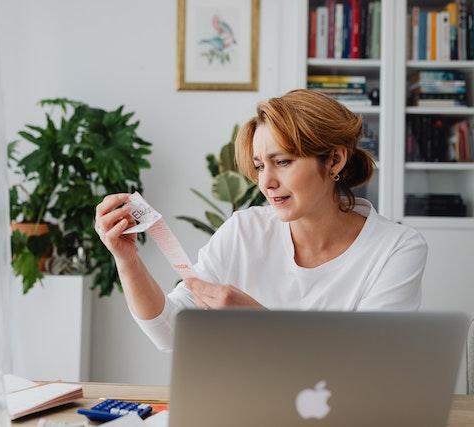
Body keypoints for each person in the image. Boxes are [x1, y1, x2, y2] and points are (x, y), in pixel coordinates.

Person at [94, 89, 428, 351]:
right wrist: (127, 260)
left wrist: (258, 322)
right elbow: (170, 332)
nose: (265, 182)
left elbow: (370, 363)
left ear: (335, 160)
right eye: (258, 166)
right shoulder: (244, 231)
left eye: (282, 161)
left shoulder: (396, 248)